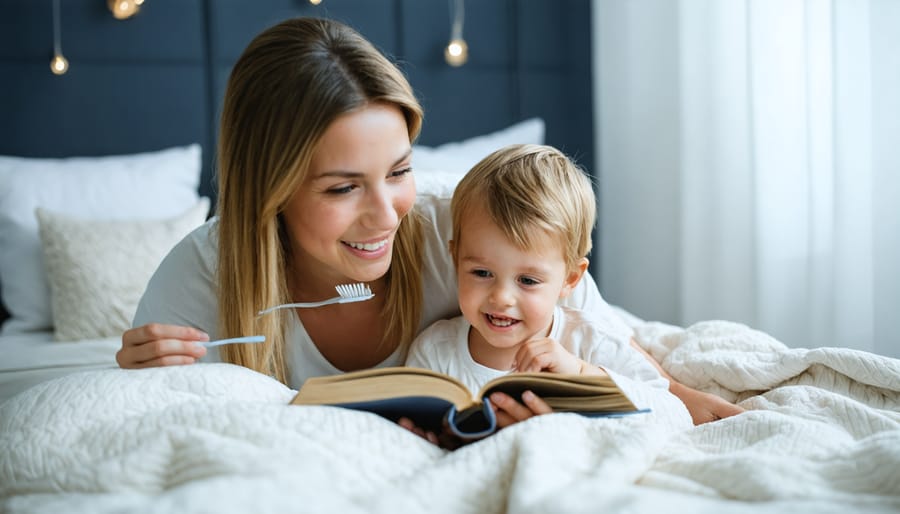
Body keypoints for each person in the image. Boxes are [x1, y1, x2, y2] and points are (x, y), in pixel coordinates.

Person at [116, 16, 742, 426]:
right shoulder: (202, 278)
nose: (386, 214)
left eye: (398, 171)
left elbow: (591, 323)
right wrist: (137, 374)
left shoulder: (464, 225)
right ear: (269, 191)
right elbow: (146, 412)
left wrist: (686, 401)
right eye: (342, 187)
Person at [405, 144, 669, 401]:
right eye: (482, 273)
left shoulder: (588, 343)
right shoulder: (434, 354)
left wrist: (580, 374)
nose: (501, 298)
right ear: (455, 259)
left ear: (570, 279)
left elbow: (665, 404)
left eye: (528, 280)